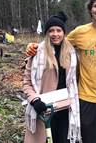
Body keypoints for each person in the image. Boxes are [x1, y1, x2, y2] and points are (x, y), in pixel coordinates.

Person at [25, 0, 96, 143]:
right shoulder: (80, 32)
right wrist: (34, 47)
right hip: (86, 97)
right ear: (90, 9)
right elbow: (56, 42)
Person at [22, 11, 81, 143]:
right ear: (47, 33)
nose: (55, 34)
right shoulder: (37, 53)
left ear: (64, 32)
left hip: (66, 108)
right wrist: (34, 100)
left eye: (58, 30)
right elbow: (26, 82)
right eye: (51, 31)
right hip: (43, 108)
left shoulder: (72, 53)